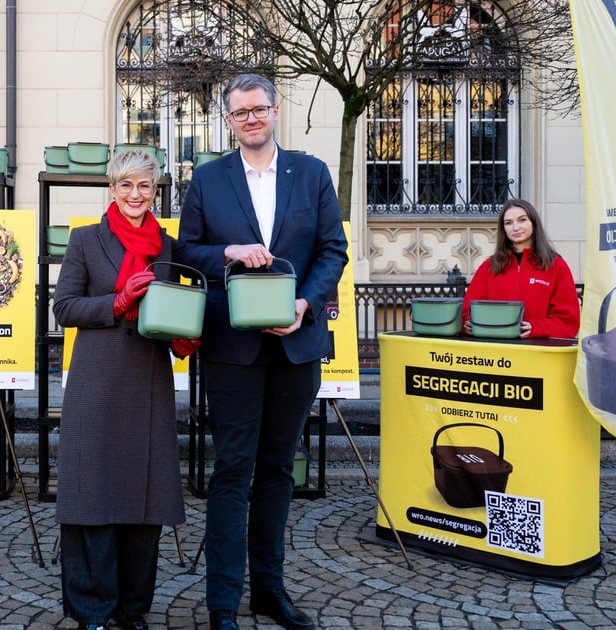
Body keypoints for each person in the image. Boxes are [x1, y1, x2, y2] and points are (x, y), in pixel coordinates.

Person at [176, 74, 348, 630]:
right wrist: (229, 250)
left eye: (259, 109)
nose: (250, 119)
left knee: (277, 471)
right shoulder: (208, 179)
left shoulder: (312, 173)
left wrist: (305, 303)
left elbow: (333, 250)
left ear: (275, 111)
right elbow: (187, 251)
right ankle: (223, 603)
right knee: (232, 471)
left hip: (296, 343)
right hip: (233, 347)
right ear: (228, 121)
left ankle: (269, 592)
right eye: (239, 112)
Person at [51, 150, 199, 630]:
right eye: (126, 185)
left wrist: (185, 336)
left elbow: (173, 310)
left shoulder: (168, 248)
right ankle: (92, 609)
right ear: (112, 189)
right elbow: (64, 308)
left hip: (148, 380)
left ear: (155, 191)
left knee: (143, 497)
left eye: (145, 186)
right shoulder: (85, 240)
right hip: (96, 383)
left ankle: (132, 608)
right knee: (92, 495)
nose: (136, 194)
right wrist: (117, 301)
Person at [462, 198, 580, 339]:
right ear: (503, 229)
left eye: (522, 220)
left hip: (537, 348)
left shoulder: (556, 266)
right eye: (508, 223)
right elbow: (467, 312)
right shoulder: (489, 266)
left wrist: (536, 328)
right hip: (494, 348)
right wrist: (466, 324)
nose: (515, 227)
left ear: (533, 223)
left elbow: (568, 322)